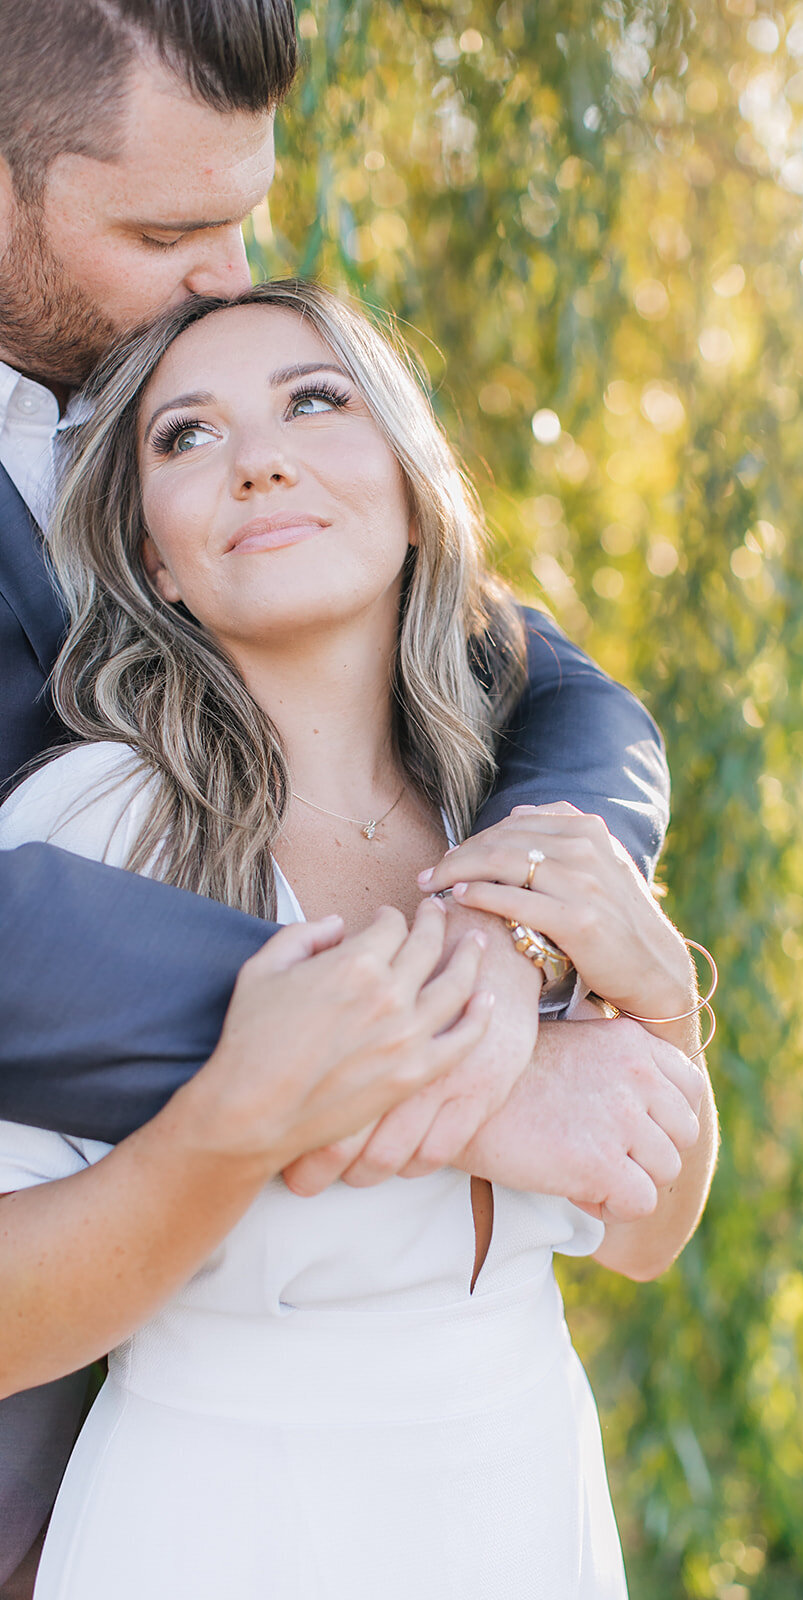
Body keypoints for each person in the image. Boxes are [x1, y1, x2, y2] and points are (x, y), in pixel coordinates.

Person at [0, 1, 685, 1584]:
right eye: (171, 227)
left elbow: (565, 694)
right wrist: (440, 1056)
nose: (226, 279)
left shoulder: (176, 374)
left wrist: (552, 923)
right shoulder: (102, 806)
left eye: (245, 217)